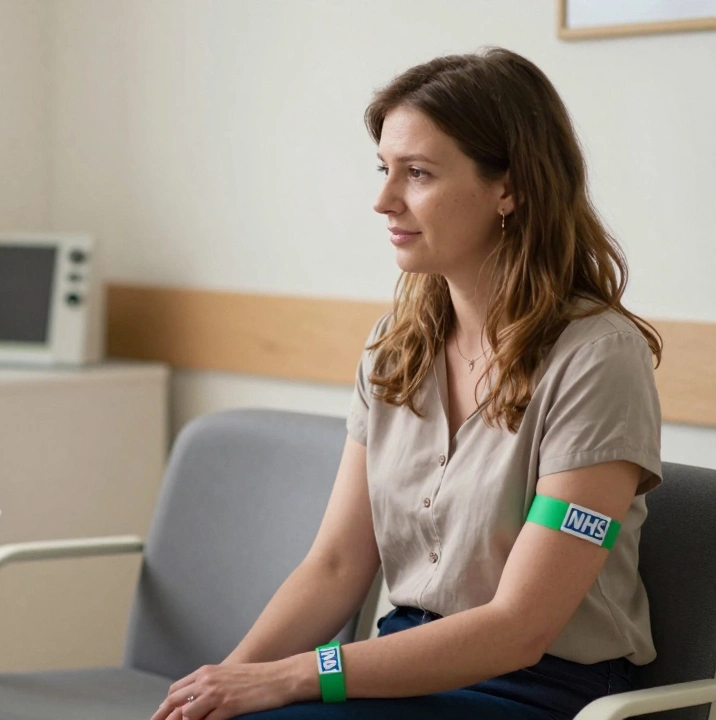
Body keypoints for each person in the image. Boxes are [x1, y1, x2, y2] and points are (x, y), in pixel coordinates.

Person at [153, 48, 663, 720]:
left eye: (417, 173)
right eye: (384, 169)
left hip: (539, 688)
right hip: (403, 665)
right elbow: (336, 567)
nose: (383, 200)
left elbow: (520, 628)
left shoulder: (598, 361)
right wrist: (223, 685)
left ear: (509, 188)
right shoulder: (395, 347)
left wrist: (295, 677)